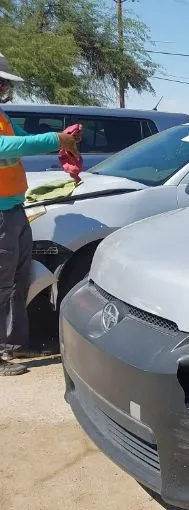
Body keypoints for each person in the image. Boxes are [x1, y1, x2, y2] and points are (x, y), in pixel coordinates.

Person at [0, 53, 81, 376]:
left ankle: (12, 344)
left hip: (12, 210)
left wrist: (62, 139)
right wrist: (55, 139)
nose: (4, 88)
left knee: (17, 283)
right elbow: (5, 148)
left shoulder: (2, 115)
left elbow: (21, 141)